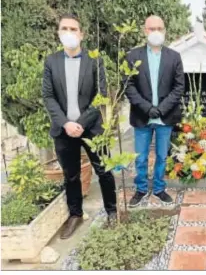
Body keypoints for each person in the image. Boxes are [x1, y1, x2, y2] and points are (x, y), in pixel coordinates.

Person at [42, 14, 117, 239]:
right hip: (63, 131)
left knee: (104, 170)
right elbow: (48, 96)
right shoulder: (51, 62)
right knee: (71, 175)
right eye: (64, 28)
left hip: (92, 127)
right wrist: (66, 123)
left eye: (73, 29)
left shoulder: (95, 60)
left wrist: (81, 123)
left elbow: (101, 95)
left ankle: (112, 212)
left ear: (81, 34)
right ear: (58, 33)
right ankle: (75, 214)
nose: (69, 33)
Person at [124, 15, 185, 206]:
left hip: (164, 118)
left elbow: (179, 87)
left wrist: (161, 109)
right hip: (142, 117)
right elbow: (128, 85)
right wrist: (147, 108)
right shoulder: (132, 56)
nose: (155, 32)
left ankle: (159, 188)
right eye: (151, 29)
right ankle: (141, 188)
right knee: (140, 157)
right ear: (145, 31)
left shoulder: (174, 57)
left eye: (159, 28)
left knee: (161, 156)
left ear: (165, 31)